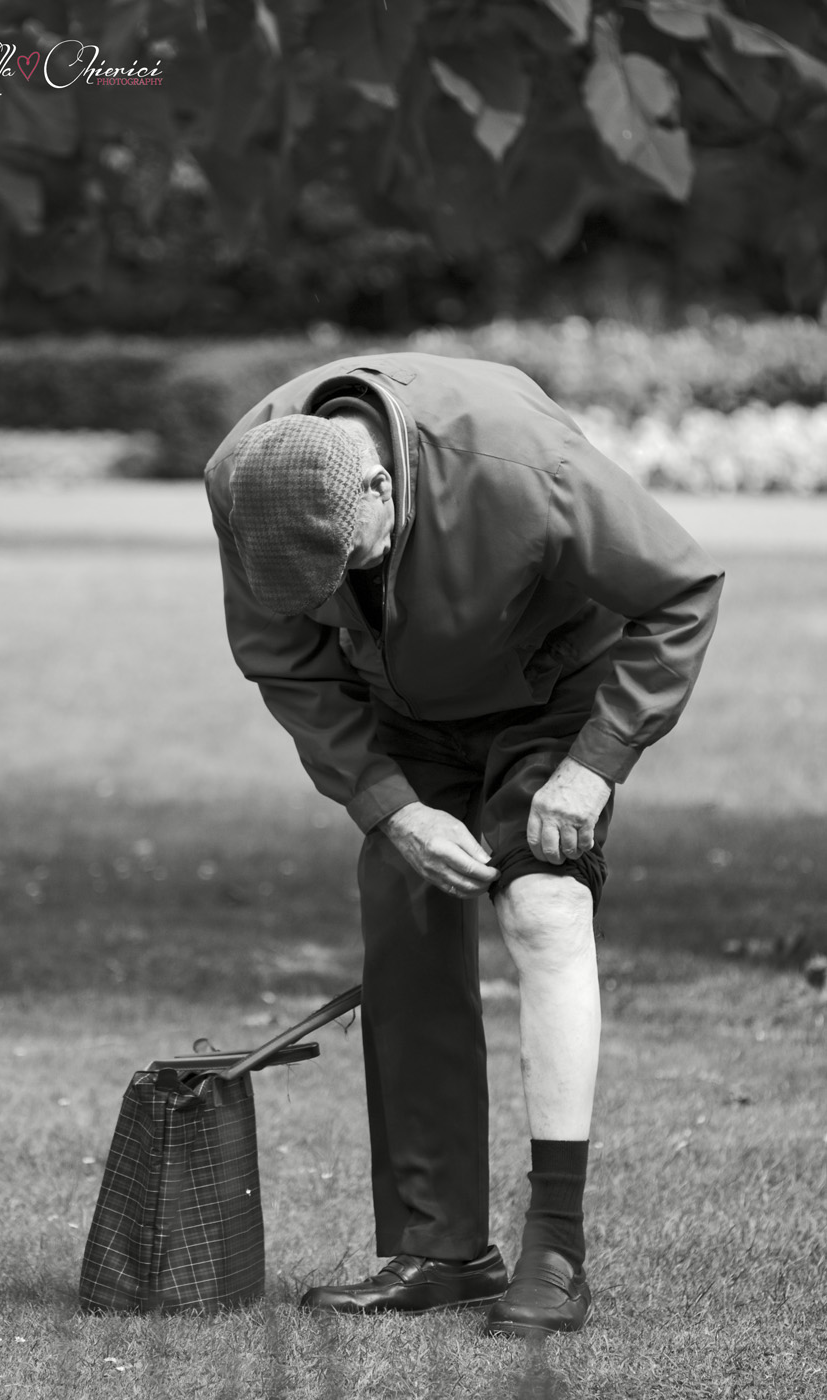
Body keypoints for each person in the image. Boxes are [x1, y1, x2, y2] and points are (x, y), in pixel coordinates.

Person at [204, 351, 723, 1336]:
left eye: (350, 556)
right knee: (406, 908)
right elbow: (286, 660)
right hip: (396, 698)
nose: (340, 581)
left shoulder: (524, 470)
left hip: (556, 683)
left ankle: (556, 1246)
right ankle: (440, 1248)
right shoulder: (248, 481)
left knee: (546, 905)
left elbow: (682, 591)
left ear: (381, 484)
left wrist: (594, 763)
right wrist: (393, 806)